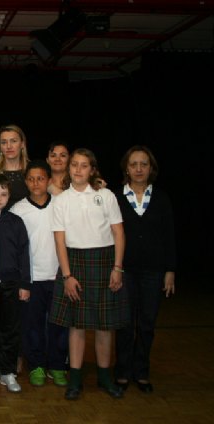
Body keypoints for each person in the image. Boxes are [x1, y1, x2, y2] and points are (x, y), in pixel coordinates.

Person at [49, 148, 128, 400]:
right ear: (69, 168)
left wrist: (117, 268)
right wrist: (67, 276)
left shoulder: (106, 196)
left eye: (84, 165)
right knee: (77, 326)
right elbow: (59, 241)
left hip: (104, 262)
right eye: (74, 165)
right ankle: (75, 380)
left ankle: (105, 378)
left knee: (105, 326)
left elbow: (118, 234)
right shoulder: (61, 200)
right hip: (74, 263)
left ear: (92, 169)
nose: (78, 169)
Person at [114, 145, 176, 394]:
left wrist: (170, 269)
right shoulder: (115, 196)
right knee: (125, 324)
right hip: (124, 270)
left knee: (147, 323)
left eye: (143, 164)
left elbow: (169, 236)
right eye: (133, 164)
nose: (138, 169)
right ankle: (122, 372)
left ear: (151, 168)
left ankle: (141, 372)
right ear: (126, 169)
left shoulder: (161, 198)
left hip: (153, 271)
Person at [10, 160, 69, 388]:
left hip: (58, 277)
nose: (36, 183)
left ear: (49, 180)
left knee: (58, 325)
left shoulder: (61, 205)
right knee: (31, 325)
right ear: (26, 181)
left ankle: (57, 365)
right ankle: (36, 365)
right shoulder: (18, 210)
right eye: (31, 179)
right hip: (31, 280)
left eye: (41, 178)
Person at [0, 174, 30, 393]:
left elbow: (24, 255)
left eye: (3, 194)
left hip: (11, 283)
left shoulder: (16, 222)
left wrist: (24, 284)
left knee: (10, 330)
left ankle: (8, 372)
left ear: (9, 196)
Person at [0, 124, 30, 208]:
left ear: (22, 144)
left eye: (13, 141)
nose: (8, 146)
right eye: (4, 142)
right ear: (0, 147)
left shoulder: (32, 170)